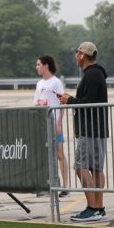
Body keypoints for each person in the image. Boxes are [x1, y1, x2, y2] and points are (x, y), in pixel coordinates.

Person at [58, 41, 109, 223]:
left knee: (81, 167)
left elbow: (88, 102)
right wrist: (71, 99)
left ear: (82, 55)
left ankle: (93, 208)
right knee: (96, 169)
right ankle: (99, 208)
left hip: (90, 130)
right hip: (96, 129)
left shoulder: (92, 74)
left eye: (77, 53)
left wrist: (69, 100)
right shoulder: (96, 73)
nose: (75, 56)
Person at [33, 55, 70, 197]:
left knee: (59, 154)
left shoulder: (56, 82)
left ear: (46, 65)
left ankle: (65, 186)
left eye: (38, 64)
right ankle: (48, 185)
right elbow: (37, 102)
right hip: (42, 123)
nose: (36, 67)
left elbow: (62, 103)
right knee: (45, 155)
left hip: (54, 122)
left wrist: (59, 123)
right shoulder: (39, 84)